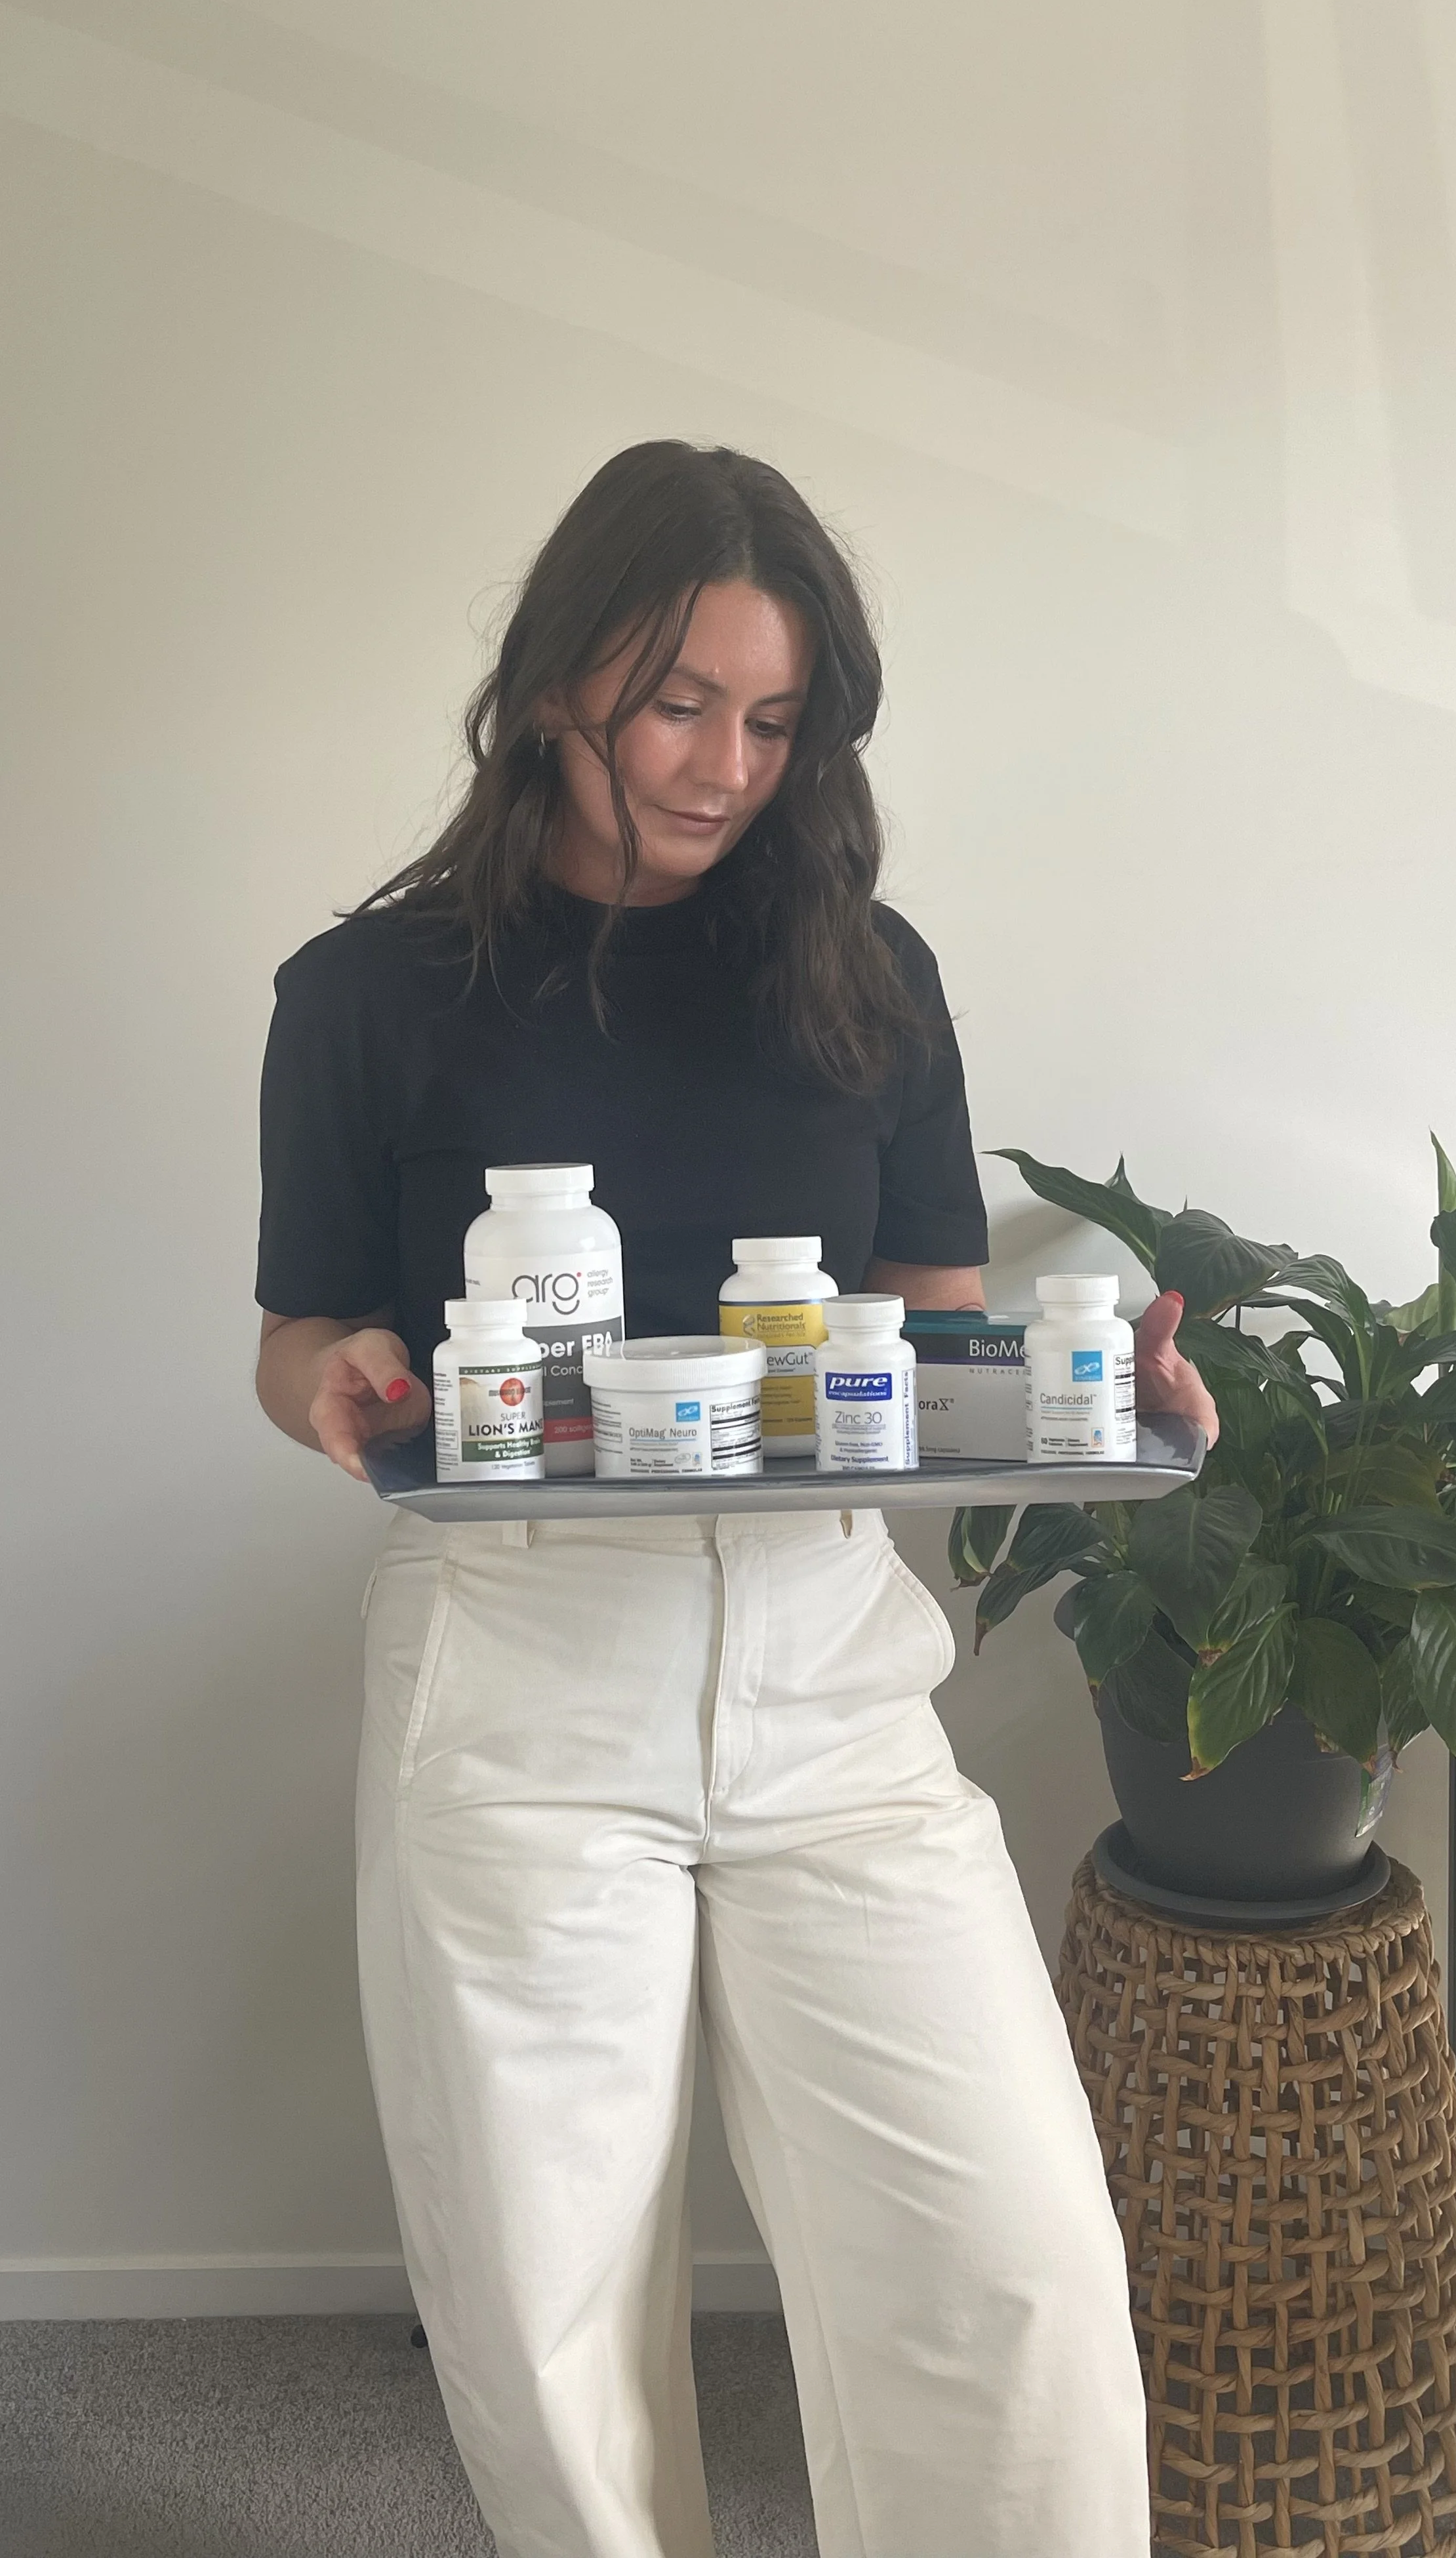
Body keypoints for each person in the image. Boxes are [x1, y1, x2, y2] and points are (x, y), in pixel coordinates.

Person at [254, 440, 1217, 2558]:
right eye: (680, 703)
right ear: (549, 685)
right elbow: (299, 1334)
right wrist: (330, 1379)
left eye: (773, 722)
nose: (722, 767)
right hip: (515, 1700)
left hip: (832, 1689)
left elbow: (926, 1349)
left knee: (1013, 2275)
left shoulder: (864, 968)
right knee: (555, 2328)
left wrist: (1100, 1406)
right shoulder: (366, 999)